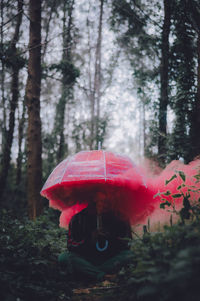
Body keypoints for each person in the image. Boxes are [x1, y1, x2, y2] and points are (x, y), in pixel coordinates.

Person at [58, 202, 134, 282]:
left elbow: (127, 244)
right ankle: (103, 276)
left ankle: (89, 274)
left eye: (104, 199)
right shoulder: (78, 218)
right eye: (95, 199)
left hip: (110, 260)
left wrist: (110, 237)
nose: (100, 203)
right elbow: (71, 245)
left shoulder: (121, 217)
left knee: (130, 255)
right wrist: (89, 240)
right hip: (87, 260)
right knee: (64, 257)